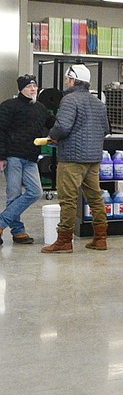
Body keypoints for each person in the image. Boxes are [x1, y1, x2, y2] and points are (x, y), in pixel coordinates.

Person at [41, 64, 110, 253]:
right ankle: (100, 238)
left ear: (73, 80)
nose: (65, 82)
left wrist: (52, 136)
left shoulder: (69, 100)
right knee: (95, 198)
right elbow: (105, 129)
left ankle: (63, 241)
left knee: (68, 199)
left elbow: (62, 126)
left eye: (67, 79)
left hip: (72, 157)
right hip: (93, 158)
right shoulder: (98, 102)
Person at [0, 75, 54, 244]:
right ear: (20, 88)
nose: (33, 89)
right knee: (13, 195)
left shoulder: (41, 108)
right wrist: (1, 156)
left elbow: (54, 123)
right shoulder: (9, 106)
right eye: (29, 86)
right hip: (13, 156)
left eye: (35, 86)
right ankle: (18, 231)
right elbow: (0, 131)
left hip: (31, 157)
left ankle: (1, 222)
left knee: (35, 191)